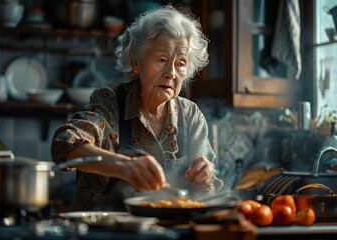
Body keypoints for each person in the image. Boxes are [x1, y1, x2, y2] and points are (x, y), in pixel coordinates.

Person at [51, 5, 223, 211]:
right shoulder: (110, 103)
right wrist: (124, 166)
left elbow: (206, 195)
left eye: (181, 63)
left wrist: (205, 177)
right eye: (162, 60)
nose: (171, 73)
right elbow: (64, 142)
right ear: (136, 62)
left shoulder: (190, 115)